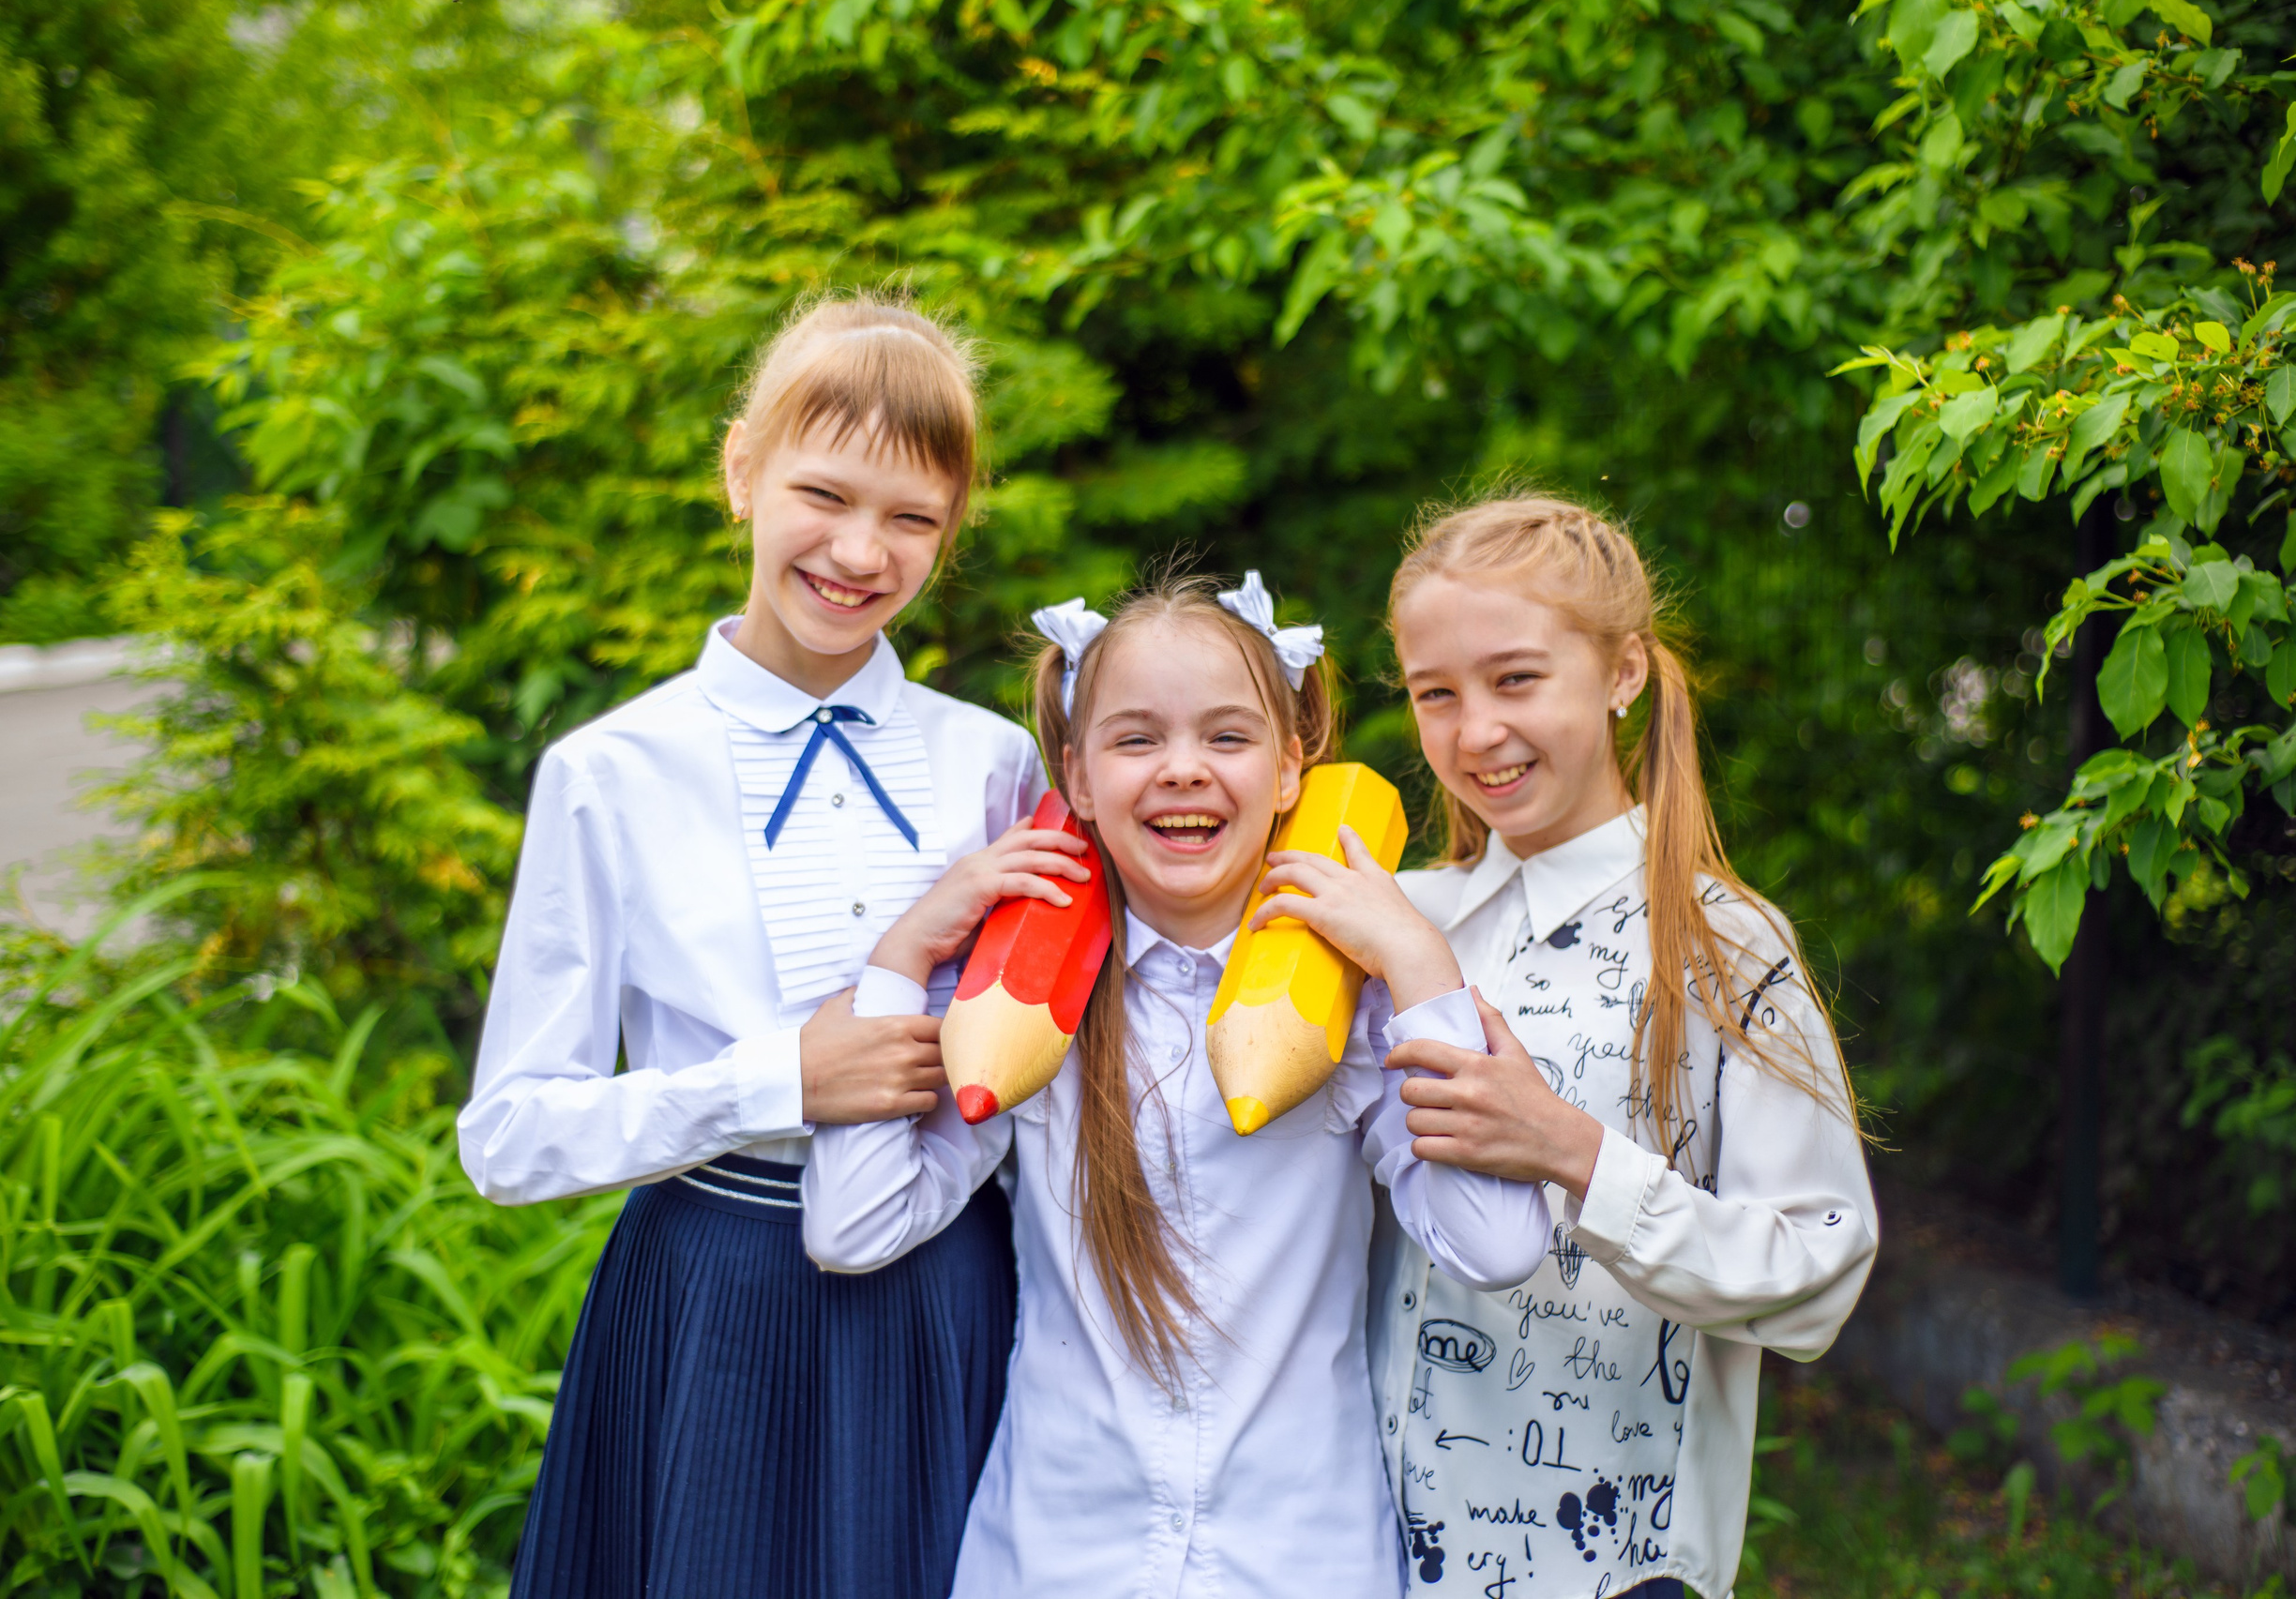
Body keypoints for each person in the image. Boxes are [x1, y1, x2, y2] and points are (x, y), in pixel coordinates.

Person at [461, 294, 1089, 1599]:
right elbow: (511, 1136)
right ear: (741, 468)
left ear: (952, 533)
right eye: (825, 493)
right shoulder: (610, 772)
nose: (862, 550)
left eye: (913, 518)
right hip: (714, 1304)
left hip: (947, 1292)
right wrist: (780, 1080)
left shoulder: (992, 762)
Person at [802, 573, 1552, 1597]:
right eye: (1136, 739)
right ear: (1073, 773)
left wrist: (1420, 969)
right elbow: (853, 1225)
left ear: (1293, 767)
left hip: (1298, 1556)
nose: (1183, 771)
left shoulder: (1354, 1003)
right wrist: (902, 957)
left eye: (1229, 737)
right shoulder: (1020, 1011)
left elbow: (1496, 1243)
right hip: (1060, 1554)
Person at [1369, 495, 1879, 1599]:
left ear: (1623, 672)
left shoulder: (1723, 947)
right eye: (1434, 693)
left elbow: (1815, 1276)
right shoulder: (1399, 924)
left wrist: (1573, 1152)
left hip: (1609, 1569)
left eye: (1516, 679)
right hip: (1361, 1549)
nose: (1474, 732)